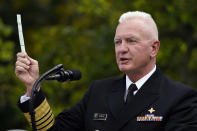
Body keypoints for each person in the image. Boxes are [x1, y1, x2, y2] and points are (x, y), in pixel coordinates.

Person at [15, 11, 197, 131]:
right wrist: (32, 86)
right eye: (118, 42)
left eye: (131, 41)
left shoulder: (180, 98)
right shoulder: (99, 91)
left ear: (154, 48)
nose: (122, 49)